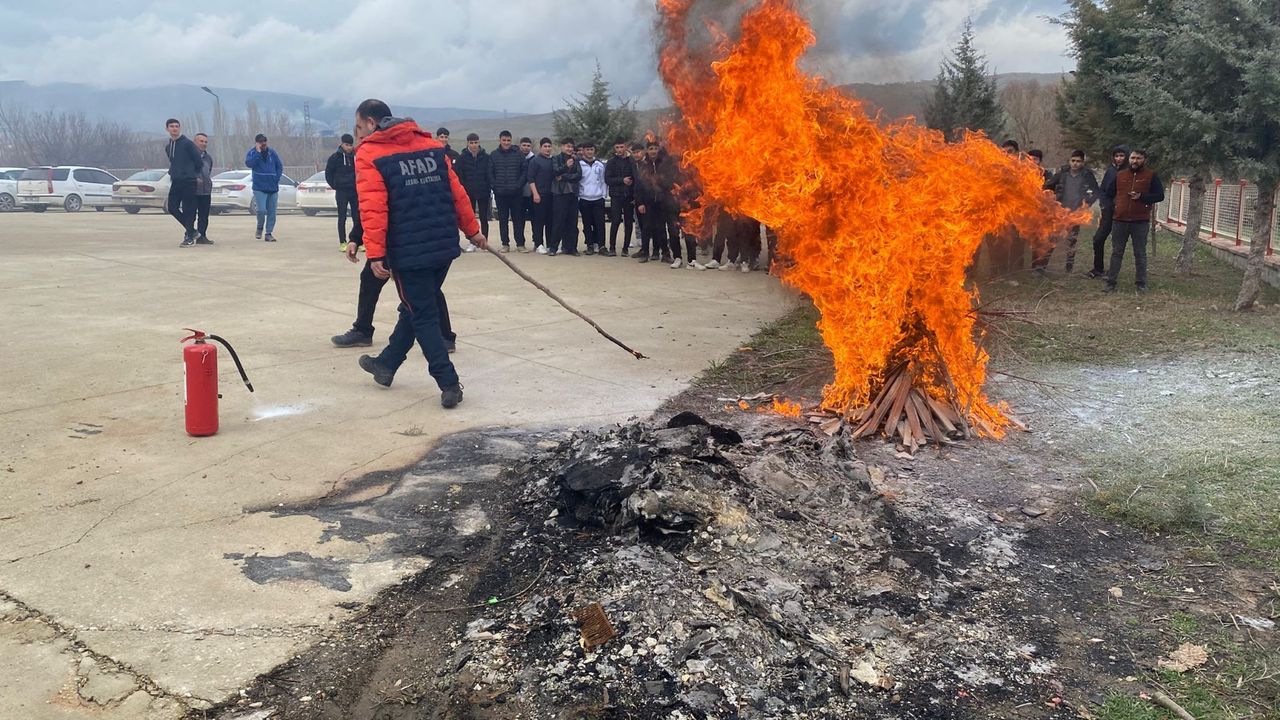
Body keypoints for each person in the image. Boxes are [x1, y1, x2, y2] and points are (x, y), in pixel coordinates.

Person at [351, 99, 485, 408]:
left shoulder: (370, 154)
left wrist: (376, 254)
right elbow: (457, 192)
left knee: (422, 314)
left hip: (409, 252)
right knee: (415, 307)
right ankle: (385, 364)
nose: (358, 134)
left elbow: (373, 208)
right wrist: (472, 229)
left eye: (359, 127)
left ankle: (448, 381)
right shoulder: (430, 145)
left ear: (372, 123)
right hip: (443, 246)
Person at [1104, 149, 1164, 293]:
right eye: (1132, 158)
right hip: (1120, 220)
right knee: (1116, 253)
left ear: (1144, 160)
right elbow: (1108, 193)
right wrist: (1115, 207)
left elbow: (1159, 196)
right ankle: (1110, 283)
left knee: (1140, 253)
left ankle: (1141, 284)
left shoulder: (1151, 175)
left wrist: (1142, 197)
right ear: (1129, 159)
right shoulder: (1120, 175)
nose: (1134, 161)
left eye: (1138, 158)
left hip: (1140, 221)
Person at [1037, 149, 1100, 273]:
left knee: (1071, 241)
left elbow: (1096, 191)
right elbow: (1048, 185)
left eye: (1078, 161)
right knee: (1052, 240)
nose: (1075, 163)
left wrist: (1086, 204)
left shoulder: (1087, 175)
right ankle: (1042, 267)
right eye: (1073, 161)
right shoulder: (1063, 173)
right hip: (1060, 212)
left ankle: (1068, 268)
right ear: (1070, 161)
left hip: (1075, 214)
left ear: (1082, 162)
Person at [1087, 145, 1130, 279]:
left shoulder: (1130, 172)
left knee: (1117, 244)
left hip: (1123, 214)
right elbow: (1103, 190)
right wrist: (1104, 204)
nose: (1119, 158)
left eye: (1122, 156)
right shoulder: (1111, 171)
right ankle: (1098, 269)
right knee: (1098, 239)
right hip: (1108, 212)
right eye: (1116, 156)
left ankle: (1113, 273)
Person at [635, 140, 678, 265]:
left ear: (658, 150)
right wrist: (640, 203)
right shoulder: (643, 166)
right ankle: (644, 253)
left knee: (661, 229)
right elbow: (638, 187)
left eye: (655, 148)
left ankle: (665, 253)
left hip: (662, 201)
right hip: (648, 202)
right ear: (647, 151)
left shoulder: (664, 165)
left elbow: (670, 182)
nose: (653, 151)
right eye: (650, 149)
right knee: (646, 228)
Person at [163, 118, 202, 247]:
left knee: (188, 209)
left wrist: (191, 174)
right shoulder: (169, 147)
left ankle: (189, 236)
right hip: (176, 180)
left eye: (177, 126)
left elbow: (198, 162)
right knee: (172, 207)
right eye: (172, 126)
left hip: (189, 181)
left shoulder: (188, 144)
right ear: (167, 128)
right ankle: (192, 230)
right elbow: (174, 162)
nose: (174, 128)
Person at [488, 130, 527, 253]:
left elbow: (524, 172)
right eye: (504, 140)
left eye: (508, 140)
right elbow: (490, 173)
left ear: (511, 140)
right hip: (500, 193)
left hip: (516, 193)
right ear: (500, 140)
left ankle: (520, 244)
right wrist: (495, 187)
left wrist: (518, 186)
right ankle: (505, 244)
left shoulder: (519, 154)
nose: (506, 142)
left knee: (518, 219)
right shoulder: (493, 155)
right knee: (503, 220)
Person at [245, 133, 283, 241]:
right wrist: (258, 153)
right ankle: (259, 227)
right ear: (257, 143)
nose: (263, 143)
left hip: (272, 187)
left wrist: (276, 177)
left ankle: (268, 233)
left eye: (264, 141)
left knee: (272, 212)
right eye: (261, 142)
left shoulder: (272, 153)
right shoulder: (252, 153)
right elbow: (250, 164)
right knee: (261, 210)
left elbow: (279, 166)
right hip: (259, 187)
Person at [455, 132, 492, 244]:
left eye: (476, 142)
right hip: (468, 192)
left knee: (484, 218)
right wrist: (465, 188)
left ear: (479, 143)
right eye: (471, 143)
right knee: (469, 218)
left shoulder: (486, 157)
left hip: (483, 191)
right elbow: (459, 175)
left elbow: (489, 173)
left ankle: (485, 240)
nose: (474, 145)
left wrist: (487, 186)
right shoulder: (462, 158)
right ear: (468, 143)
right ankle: (472, 242)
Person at [326, 134, 360, 252]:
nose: (349, 147)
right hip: (341, 192)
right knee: (342, 217)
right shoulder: (335, 158)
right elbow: (328, 174)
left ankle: (359, 241)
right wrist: (335, 185)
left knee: (358, 216)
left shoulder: (356, 157)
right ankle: (342, 242)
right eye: (347, 145)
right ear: (342, 144)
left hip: (354, 191)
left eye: (351, 145)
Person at [549, 138, 581, 256]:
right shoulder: (556, 159)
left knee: (572, 222)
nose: (570, 149)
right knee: (558, 221)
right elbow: (554, 172)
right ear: (562, 147)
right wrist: (565, 166)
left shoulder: (576, 160)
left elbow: (578, 175)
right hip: (560, 194)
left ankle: (571, 247)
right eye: (567, 146)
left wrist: (563, 177)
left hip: (572, 194)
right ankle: (553, 247)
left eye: (571, 147)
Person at [605, 138, 636, 257]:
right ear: (614, 148)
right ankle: (612, 247)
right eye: (617, 147)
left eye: (621, 147)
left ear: (625, 147)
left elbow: (636, 177)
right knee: (615, 221)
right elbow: (607, 179)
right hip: (616, 195)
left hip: (629, 196)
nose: (619, 150)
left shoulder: (631, 161)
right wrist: (622, 180)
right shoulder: (611, 162)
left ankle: (625, 248)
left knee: (628, 222)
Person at [577, 141, 608, 255]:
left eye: (591, 150)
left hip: (598, 198)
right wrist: (580, 196)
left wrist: (603, 195)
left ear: (594, 151)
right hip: (584, 199)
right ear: (583, 151)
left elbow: (603, 181)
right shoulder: (579, 164)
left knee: (600, 223)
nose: (589, 152)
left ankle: (601, 246)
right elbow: (578, 181)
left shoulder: (599, 165)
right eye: (587, 150)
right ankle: (589, 245)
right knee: (587, 223)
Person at [526, 138, 555, 254]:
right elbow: (531, 179)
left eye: (549, 146)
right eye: (545, 146)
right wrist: (535, 193)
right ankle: (538, 244)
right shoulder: (535, 161)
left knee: (550, 221)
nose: (547, 149)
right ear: (540, 147)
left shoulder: (553, 160)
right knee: (539, 221)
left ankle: (550, 244)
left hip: (552, 195)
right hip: (539, 195)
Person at [627, 143, 649, 258]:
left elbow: (645, 185)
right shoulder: (634, 164)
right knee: (641, 225)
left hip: (649, 200)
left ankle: (657, 251)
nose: (636, 154)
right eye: (634, 152)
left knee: (651, 226)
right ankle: (644, 250)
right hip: (638, 199)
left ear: (643, 152)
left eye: (638, 152)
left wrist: (642, 202)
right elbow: (636, 185)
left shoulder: (648, 164)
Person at [193, 133, 214, 245]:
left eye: (205, 142)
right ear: (195, 142)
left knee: (204, 216)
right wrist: (195, 179)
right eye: (201, 141)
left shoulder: (208, 158)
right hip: (193, 190)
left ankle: (202, 236)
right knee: (191, 215)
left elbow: (208, 171)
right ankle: (190, 235)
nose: (204, 144)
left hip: (206, 191)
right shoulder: (189, 156)